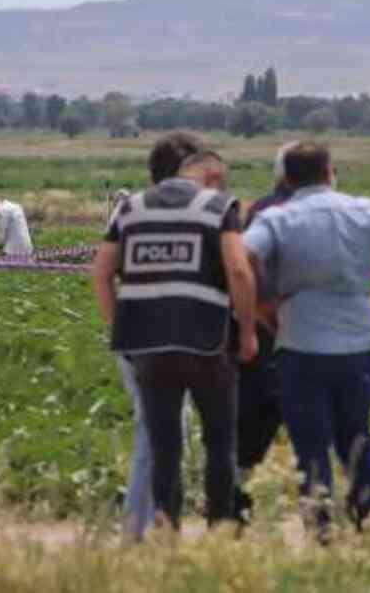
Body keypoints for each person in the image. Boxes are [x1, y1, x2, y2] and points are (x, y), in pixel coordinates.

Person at [243, 142, 370, 541]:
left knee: (309, 445)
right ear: (330, 171)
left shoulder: (278, 218)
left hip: (300, 341)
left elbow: (242, 260)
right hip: (358, 341)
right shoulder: (365, 210)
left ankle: (321, 532)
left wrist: (263, 306)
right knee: (357, 438)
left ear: (287, 179)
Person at [92, 145, 259, 531]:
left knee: (165, 447)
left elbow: (101, 273)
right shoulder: (219, 207)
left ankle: (168, 534)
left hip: (148, 346)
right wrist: (247, 332)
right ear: (213, 176)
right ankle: (219, 529)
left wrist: (121, 330)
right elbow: (238, 270)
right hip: (205, 342)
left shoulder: (130, 207)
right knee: (218, 442)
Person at [107, 132, 205, 539]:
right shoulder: (192, 214)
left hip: (138, 336)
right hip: (166, 338)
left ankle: (151, 522)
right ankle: (138, 527)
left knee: (164, 429)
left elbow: (104, 273)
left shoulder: (129, 212)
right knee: (158, 431)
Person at [233, 140, 299, 518]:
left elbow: (242, 268)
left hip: (262, 327)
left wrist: (254, 317)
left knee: (251, 423)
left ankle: (235, 502)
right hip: (309, 329)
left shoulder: (258, 209)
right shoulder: (334, 210)